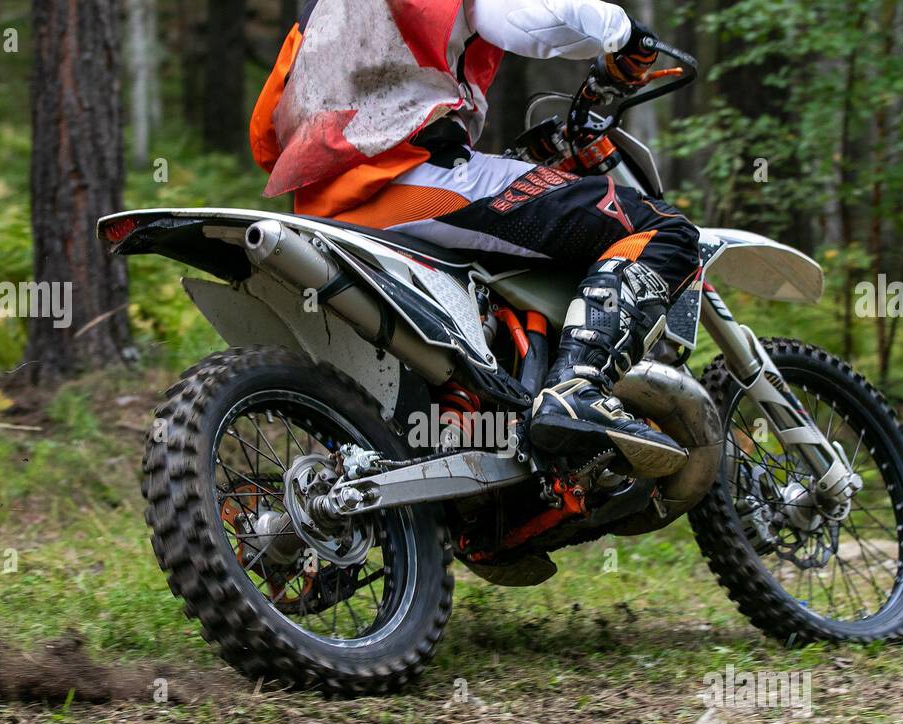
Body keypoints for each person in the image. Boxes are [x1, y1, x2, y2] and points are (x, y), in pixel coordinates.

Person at [250, 0, 701, 477]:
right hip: (410, 178)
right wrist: (624, 34)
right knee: (662, 230)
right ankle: (577, 387)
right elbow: (534, 16)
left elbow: (264, 131)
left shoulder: (319, 10)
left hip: (325, 203)